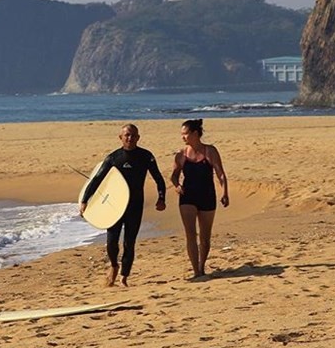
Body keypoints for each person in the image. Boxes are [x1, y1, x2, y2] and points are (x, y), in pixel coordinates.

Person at [79, 123, 166, 287]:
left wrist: (161, 198)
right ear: (121, 138)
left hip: (135, 204)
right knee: (111, 242)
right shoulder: (113, 158)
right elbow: (97, 179)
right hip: (115, 206)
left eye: (133, 135)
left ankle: (124, 277)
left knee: (129, 242)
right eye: (127, 135)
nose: (130, 138)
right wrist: (85, 200)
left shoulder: (146, 156)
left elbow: (158, 178)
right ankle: (114, 265)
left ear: (138, 138)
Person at [170, 118, 229, 279]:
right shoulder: (181, 155)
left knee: (205, 236)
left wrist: (225, 192)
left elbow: (220, 173)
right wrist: (176, 186)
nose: (183, 137)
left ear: (195, 134)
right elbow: (174, 176)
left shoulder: (210, 151)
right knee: (190, 234)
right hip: (187, 196)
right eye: (181, 134)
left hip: (207, 195)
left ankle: (202, 266)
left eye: (185, 134)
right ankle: (196, 270)